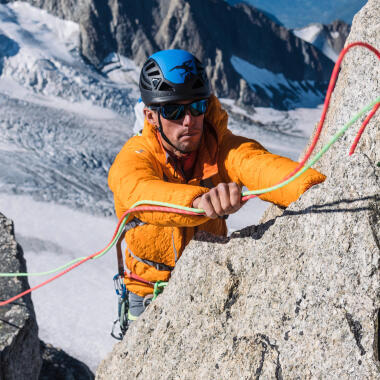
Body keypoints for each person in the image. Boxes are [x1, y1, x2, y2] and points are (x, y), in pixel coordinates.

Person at [108, 49, 325, 324]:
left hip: (207, 285)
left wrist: (317, 189)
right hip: (148, 294)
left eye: (196, 107)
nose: (188, 120)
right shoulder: (136, 156)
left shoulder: (220, 147)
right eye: (173, 110)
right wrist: (198, 201)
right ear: (150, 116)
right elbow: (138, 192)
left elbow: (255, 164)